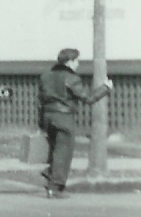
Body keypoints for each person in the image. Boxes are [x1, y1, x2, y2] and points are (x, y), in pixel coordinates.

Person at [37, 47, 112, 196]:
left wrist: (41, 123)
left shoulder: (46, 76)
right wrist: (106, 88)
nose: (78, 64)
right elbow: (88, 98)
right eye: (76, 60)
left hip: (47, 116)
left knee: (55, 150)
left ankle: (50, 174)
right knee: (63, 152)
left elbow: (40, 101)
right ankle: (54, 187)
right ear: (70, 62)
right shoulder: (71, 78)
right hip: (63, 118)